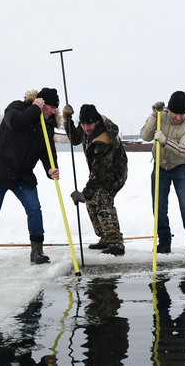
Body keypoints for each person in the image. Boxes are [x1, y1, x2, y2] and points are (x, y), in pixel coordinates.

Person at [0, 88, 61, 264]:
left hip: (22, 176)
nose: (53, 111)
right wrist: (34, 109)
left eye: (55, 108)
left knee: (34, 209)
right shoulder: (16, 108)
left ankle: (36, 252)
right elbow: (15, 123)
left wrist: (51, 168)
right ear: (40, 102)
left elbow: (47, 151)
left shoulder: (47, 126)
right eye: (50, 106)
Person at [140, 91, 185, 256]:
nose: (179, 117)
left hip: (181, 167)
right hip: (160, 167)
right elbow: (144, 136)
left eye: (183, 114)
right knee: (159, 208)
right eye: (176, 113)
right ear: (170, 109)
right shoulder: (161, 116)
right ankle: (164, 243)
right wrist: (154, 115)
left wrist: (165, 141)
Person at [63, 104, 128, 256]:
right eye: (83, 124)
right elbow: (75, 139)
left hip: (115, 173)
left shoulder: (104, 139)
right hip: (99, 171)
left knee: (103, 200)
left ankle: (116, 243)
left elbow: (99, 175)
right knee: (92, 202)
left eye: (89, 125)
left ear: (97, 122)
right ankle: (105, 238)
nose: (86, 128)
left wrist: (84, 194)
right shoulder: (87, 126)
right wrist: (68, 121)